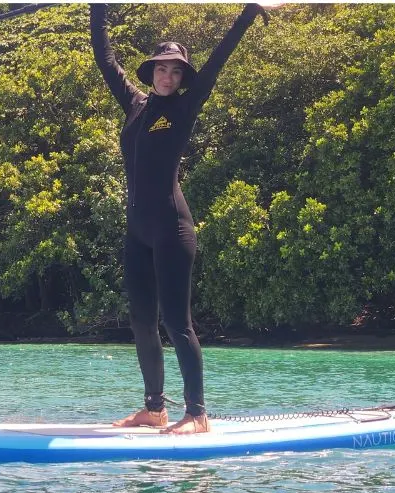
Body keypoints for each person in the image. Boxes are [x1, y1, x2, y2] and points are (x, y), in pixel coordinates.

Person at [90, 3, 269, 434]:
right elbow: (105, 58)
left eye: (176, 71)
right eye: (162, 69)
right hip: (137, 232)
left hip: (172, 229)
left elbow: (219, 60)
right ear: (152, 70)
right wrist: (97, 9)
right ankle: (154, 409)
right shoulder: (134, 104)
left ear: (182, 77)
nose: (168, 76)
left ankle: (197, 413)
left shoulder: (184, 109)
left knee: (176, 323)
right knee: (140, 320)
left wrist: (249, 12)